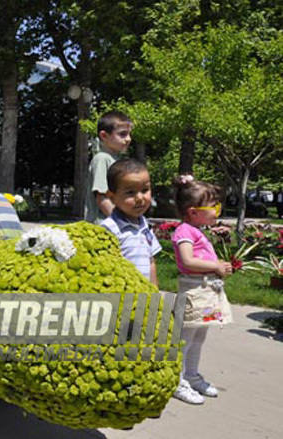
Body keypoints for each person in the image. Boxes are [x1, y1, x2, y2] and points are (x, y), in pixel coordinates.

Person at [170, 174, 234, 405]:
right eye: (213, 206)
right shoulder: (184, 232)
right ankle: (176, 380)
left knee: (199, 337)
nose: (218, 209)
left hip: (206, 291)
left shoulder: (197, 230)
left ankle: (191, 374)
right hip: (194, 291)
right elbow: (187, 261)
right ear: (193, 212)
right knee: (185, 339)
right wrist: (215, 266)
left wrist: (219, 269)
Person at [100, 158, 161, 286]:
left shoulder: (145, 225)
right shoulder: (109, 228)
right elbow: (103, 266)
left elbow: (150, 262)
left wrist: (155, 292)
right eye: (130, 193)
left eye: (145, 190)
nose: (139, 198)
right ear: (112, 197)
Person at [84, 110, 133, 224]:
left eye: (129, 134)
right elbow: (102, 198)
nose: (128, 139)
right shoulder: (102, 159)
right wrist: (122, 223)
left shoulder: (117, 161)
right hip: (103, 227)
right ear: (104, 135)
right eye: (122, 134)